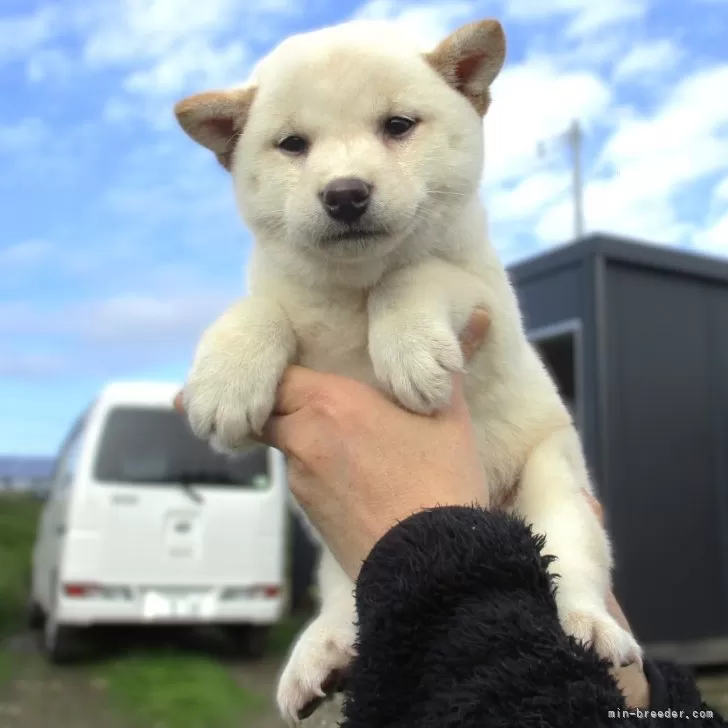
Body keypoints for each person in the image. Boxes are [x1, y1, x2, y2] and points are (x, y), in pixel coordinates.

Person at [176, 311, 725, 726]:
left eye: (397, 146)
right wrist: (651, 703)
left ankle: (578, 603)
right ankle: (343, 618)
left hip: (522, 469)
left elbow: (466, 294)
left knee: (553, 486)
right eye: (295, 148)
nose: (344, 177)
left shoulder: (448, 261)